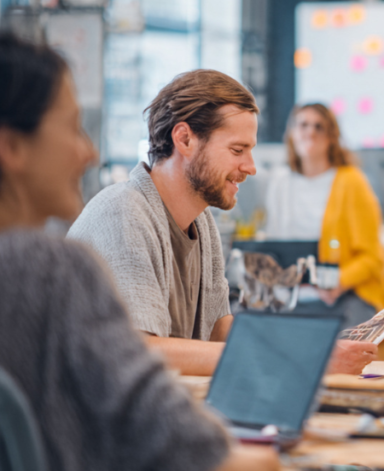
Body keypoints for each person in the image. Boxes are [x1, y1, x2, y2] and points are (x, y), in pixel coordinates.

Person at [0, 33, 277, 470]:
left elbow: (218, 330)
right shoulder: (56, 264)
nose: (88, 153)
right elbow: (144, 386)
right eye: (72, 129)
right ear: (11, 147)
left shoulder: (202, 223)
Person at [68, 71, 376, 376]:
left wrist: (311, 348)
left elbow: (219, 329)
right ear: (185, 139)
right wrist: (301, 359)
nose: (251, 167)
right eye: (237, 150)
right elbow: (142, 350)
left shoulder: (201, 222)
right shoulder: (124, 212)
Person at [264, 103, 384, 327]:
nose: (310, 132)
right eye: (303, 125)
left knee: (337, 350)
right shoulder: (280, 182)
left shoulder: (351, 182)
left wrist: (338, 282)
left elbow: (373, 259)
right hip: (291, 295)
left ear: (332, 137)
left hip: (343, 294)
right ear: (292, 133)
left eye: (319, 127)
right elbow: (275, 246)